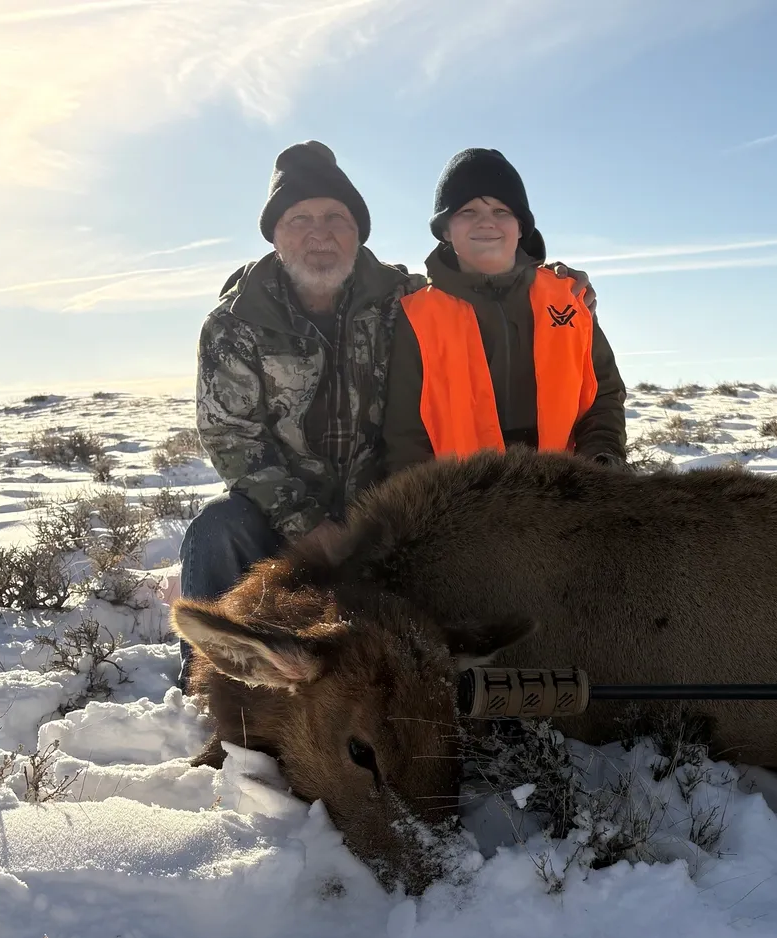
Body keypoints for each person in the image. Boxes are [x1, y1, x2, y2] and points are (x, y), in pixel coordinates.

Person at [176, 140, 596, 689]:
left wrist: (550, 278)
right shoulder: (233, 323)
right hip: (278, 511)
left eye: (336, 218)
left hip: (384, 500)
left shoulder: (404, 296)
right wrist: (308, 526)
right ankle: (212, 682)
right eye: (299, 219)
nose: (318, 233)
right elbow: (232, 438)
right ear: (275, 235)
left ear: (359, 232)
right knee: (217, 529)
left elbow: (478, 279)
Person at [382, 148, 627, 476]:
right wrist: (426, 512)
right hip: (461, 508)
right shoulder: (416, 315)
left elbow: (603, 395)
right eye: (467, 211)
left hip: (566, 498)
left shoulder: (570, 297)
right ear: (445, 229)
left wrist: (600, 460)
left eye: (501, 210)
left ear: (521, 226)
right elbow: (404, 435)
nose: (486, 222)